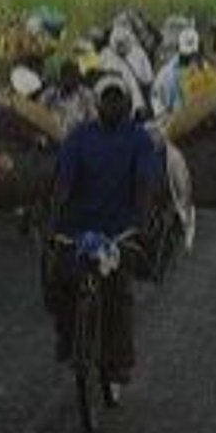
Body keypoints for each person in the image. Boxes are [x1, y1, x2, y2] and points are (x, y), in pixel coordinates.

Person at [48, 75, 163, 404]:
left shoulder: (139, 139)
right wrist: (54, 224)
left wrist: (141, 222)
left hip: (120, 232)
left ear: (126, 104)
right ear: (97, 105)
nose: (112, 105)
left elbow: (145, 184)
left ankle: (118, 363)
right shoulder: (78, 138)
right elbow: (63, 184)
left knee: (118, 293)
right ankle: (68, 341)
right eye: (107, 99)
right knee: (60, 282)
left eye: (117, 99)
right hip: (78, 231)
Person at [151, 28, 216, 119]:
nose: (190, 58)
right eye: (187, 55)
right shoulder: (167, 74)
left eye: (193, 54)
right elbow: (158, 101)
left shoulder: (205, 67)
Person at [97, 25, 154, 119]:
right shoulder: (105, 56)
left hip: (133, 105)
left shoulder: (138, 53)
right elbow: (148, 79)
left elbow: (148, 80)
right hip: (122, 104)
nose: (121, 47)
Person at [43, 60, 98, 133]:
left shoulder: (86, 96)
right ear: (61, 76)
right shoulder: (50, 94)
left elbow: (94, 118)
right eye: (69, 75)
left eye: (75, 76)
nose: (72, 79)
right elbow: (40, 113)